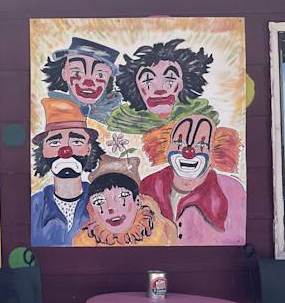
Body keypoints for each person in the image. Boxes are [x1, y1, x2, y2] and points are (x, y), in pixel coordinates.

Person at [140, 113, 245, 245]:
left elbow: (237, 239)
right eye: (179, 142)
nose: (188, 152)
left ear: (215, 151)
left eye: (201, 145)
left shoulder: (232, 191)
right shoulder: (148, 186)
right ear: (166, 147)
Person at [30, 98, 104, 246]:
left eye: (76, 142)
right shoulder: (33, 206)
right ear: (43, 150)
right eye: (55, 142)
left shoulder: (103, 200)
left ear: (89, 149)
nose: (65, 151)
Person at [108, 38, 217, 134]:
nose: (159, 90)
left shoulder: (203, 119)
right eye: (148, 81)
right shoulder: (122, 121)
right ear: (136, 87)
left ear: (181, 84)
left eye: (170, 80)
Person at [72, 155, 176, 246]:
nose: (111, 208)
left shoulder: (163, 232)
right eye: (99, 202)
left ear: (138, 202)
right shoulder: (84, 242)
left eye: (122, 196)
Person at [41, 37, 122, 123]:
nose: (88, 84)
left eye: (100, 75)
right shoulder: (55, 108)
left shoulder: (119, 116)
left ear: (109, 78)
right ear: (64, 74)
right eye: (77, 73)